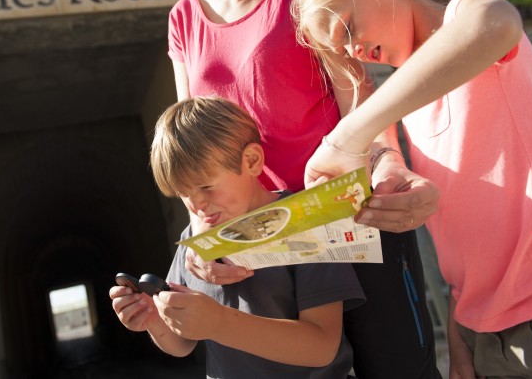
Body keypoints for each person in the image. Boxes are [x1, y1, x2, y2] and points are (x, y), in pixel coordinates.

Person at [165, 0, 442, 377]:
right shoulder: (183, 20)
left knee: (399, 367)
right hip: (267, 244)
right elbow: (191, 150)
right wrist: (202, 239)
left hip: (352, 214)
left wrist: (388, 161)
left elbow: (356, 89)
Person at [292, 0, 532, 378]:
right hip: (484, 330)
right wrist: (460, 332)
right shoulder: (413, 100)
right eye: (344, 50)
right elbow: (465, 240)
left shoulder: (466, 12)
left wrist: (346, 135)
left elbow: (496, 22)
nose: (356, 51)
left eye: (348, 28)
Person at [110, 96, 366, 378]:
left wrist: (219, 323)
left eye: (206, 186)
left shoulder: (306, 221)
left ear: (252, 161)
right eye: (184, 194)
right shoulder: (194, 243)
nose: (197, 205)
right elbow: (182, 345)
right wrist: (153, 320)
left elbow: (323, 346)